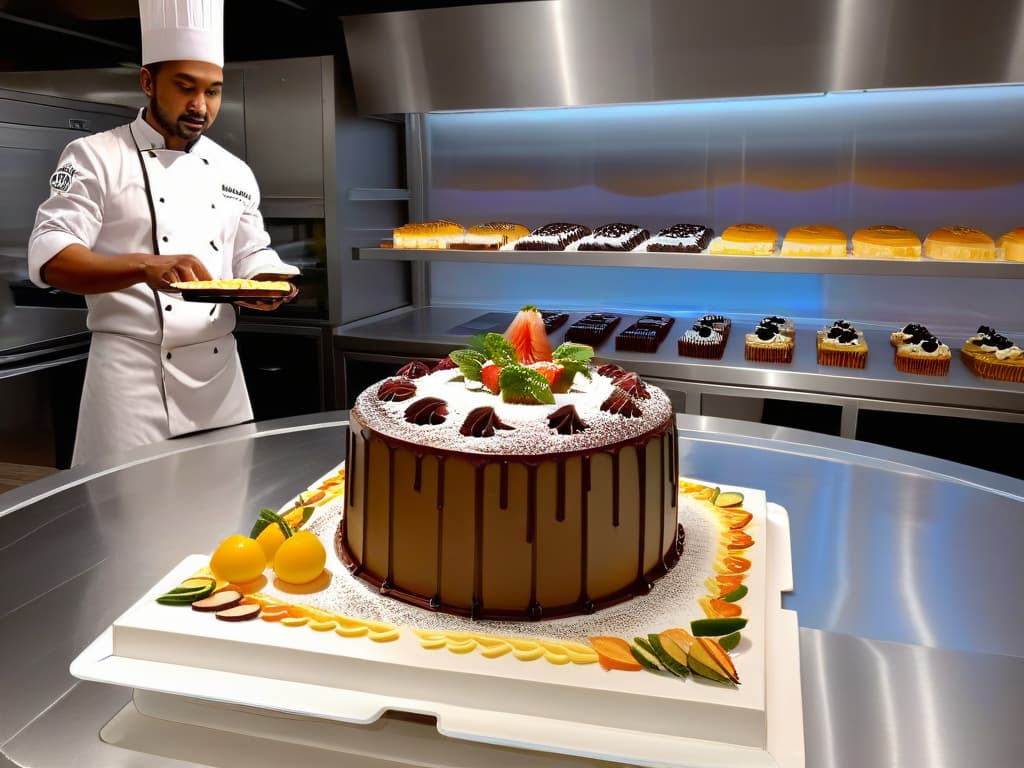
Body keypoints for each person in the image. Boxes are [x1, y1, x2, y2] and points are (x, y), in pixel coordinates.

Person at [27, 0, 299, 467]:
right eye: (184, 87)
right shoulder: (94, 156)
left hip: (220, 379)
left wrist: (270, 281)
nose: (200, 106)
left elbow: (253, 251)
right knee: (130, 526)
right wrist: (142, 266)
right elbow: (52, 259)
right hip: (132, 380)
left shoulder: (233, 170)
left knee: (228, 519)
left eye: (213, 91)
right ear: (148, 82)